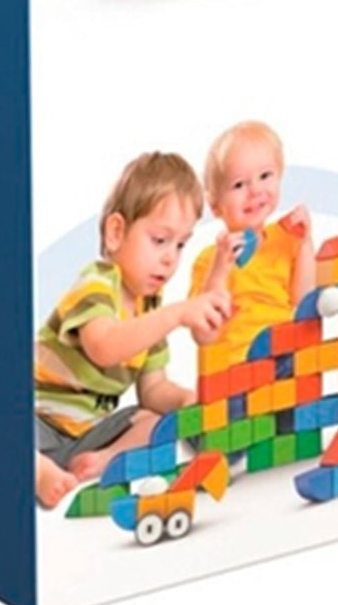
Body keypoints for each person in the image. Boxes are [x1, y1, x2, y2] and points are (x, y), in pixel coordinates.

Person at [34, 151, 230, 508]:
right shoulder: (96, 284)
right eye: (160, 240)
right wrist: (176, 315)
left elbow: (153, 390)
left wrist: (185, 400)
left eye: (180, 244)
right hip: (36, 418)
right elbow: (104, 348)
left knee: (152, 421)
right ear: (116, 233)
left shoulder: (148, 308)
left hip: (86, 434)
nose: (170, 258)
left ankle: (102, 462)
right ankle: (37, 469)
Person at [188, 121, 317, 368]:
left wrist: (305, 242)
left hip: (285, 356)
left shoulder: (286, 240)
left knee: (310, 354)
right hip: (236, 368)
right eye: (238, 184)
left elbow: (303, 300)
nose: (255, 190)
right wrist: (220, 268)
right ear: (215, 206)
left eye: (265, 176)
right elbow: (203, 335)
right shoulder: (209, 260)